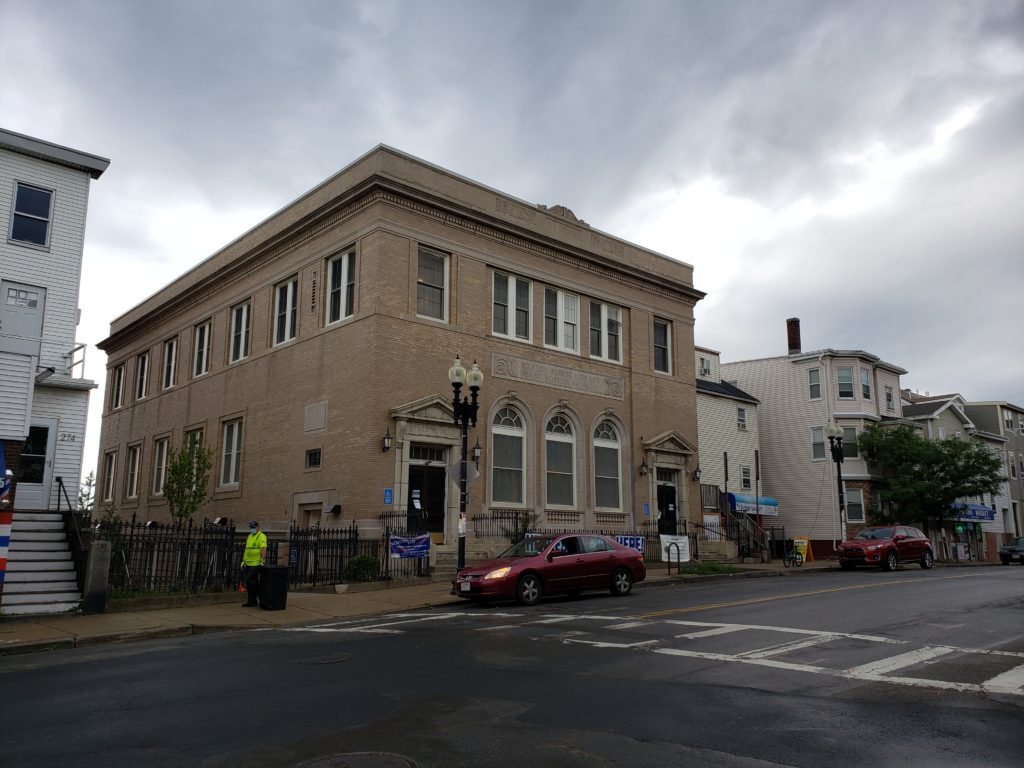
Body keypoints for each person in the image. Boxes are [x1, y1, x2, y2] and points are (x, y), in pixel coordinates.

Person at [241, 520, 267, 607]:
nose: (251, 529)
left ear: (257, 528)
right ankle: (252, 601)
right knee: (249, 583)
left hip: (256, 563)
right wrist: (243, 561)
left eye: (253, 527)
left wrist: (263, 560)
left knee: (250, 580)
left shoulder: (261, 536)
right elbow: (247, 549)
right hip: (248, 563)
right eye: (250, 527)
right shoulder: (249, 536)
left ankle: (260, 596)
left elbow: (263, 549)